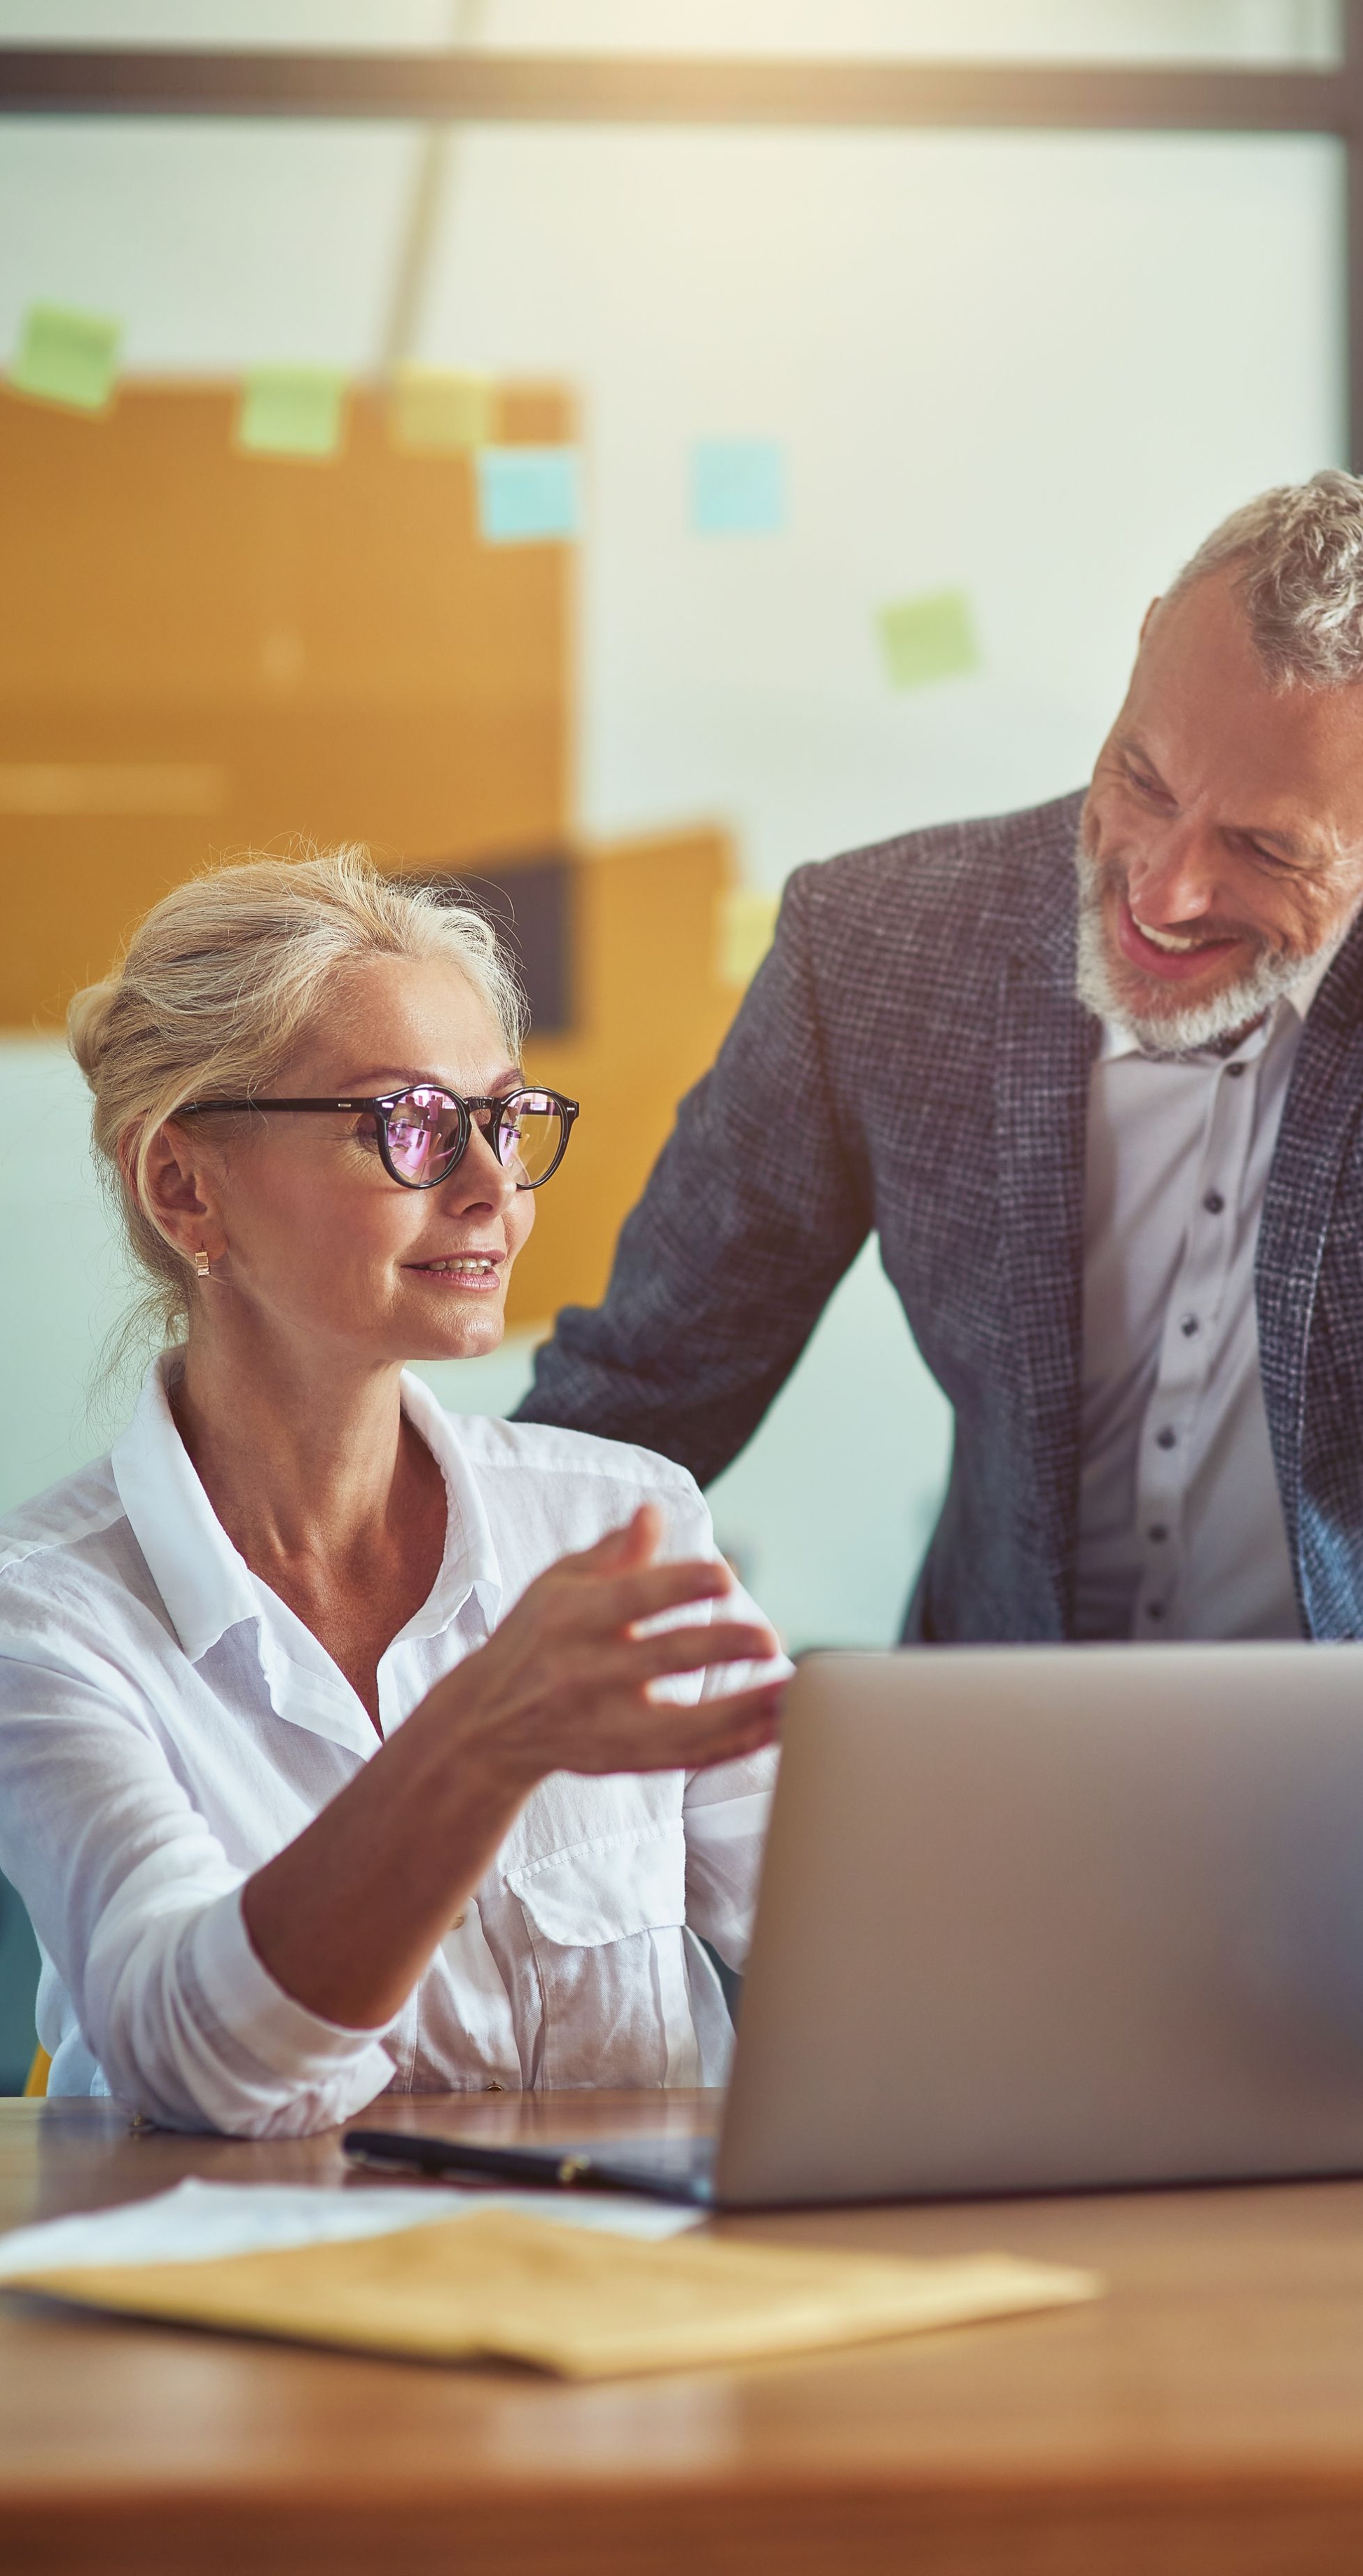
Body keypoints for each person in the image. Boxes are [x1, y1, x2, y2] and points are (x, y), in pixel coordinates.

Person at [521, 469, 1363, 2068]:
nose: (1163, 886)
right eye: (1141, 779)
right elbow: (637, 1394)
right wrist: (390, 1782)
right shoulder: (872, 943)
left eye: (1264, 846)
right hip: (1019, 1850)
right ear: (1134, 668)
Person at [0, 852, 784, 2135]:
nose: (492, 1187)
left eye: (506, 1119)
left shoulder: (618, 1521)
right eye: (409, 1126)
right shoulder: (47, 1622)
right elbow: (196, 2057)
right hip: (236, 2309)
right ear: (186, 1189)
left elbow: (858, 1938)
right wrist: (479, 1744)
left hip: (620, 2306)